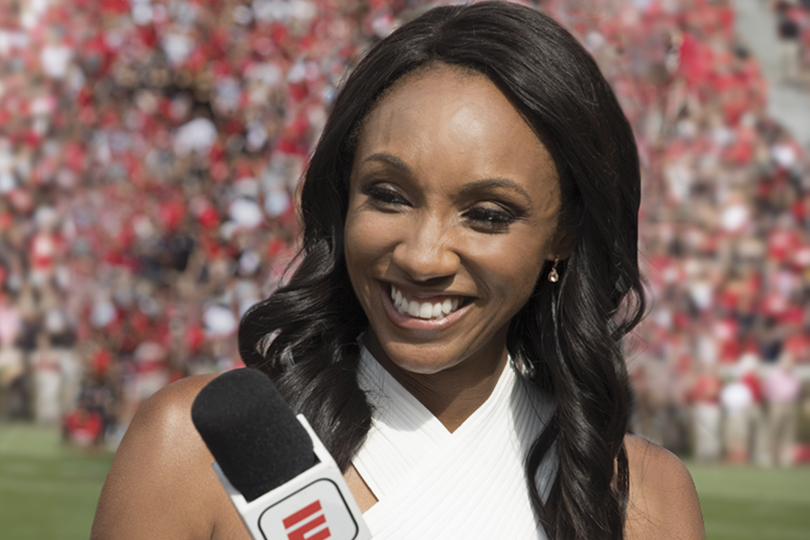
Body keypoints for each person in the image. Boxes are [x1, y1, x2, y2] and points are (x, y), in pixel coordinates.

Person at [91, 3, 704, 539]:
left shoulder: (640, 496)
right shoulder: (195, 447)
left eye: (487, 214)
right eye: (388, 195)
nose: (422, 256)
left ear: (562, 235)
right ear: (343, 195)